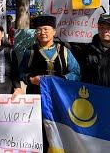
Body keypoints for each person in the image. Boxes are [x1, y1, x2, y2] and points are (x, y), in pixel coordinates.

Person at [19, 15, 80, 153]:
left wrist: (60, 80)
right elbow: (21, 72)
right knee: (38, 128)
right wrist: (31, 79)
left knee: (60, 129)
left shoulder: (64, 51)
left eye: (46, 29)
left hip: (60, 98)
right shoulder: (30, 51)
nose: (42, 33)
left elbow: (76, 72)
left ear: (54, 31)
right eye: (39, 30)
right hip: (37, 97)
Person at [81, 15, 110, 87]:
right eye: (102, 27)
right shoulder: (88, 50)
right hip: (94, 94)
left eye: (109, 28)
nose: (105, 31)